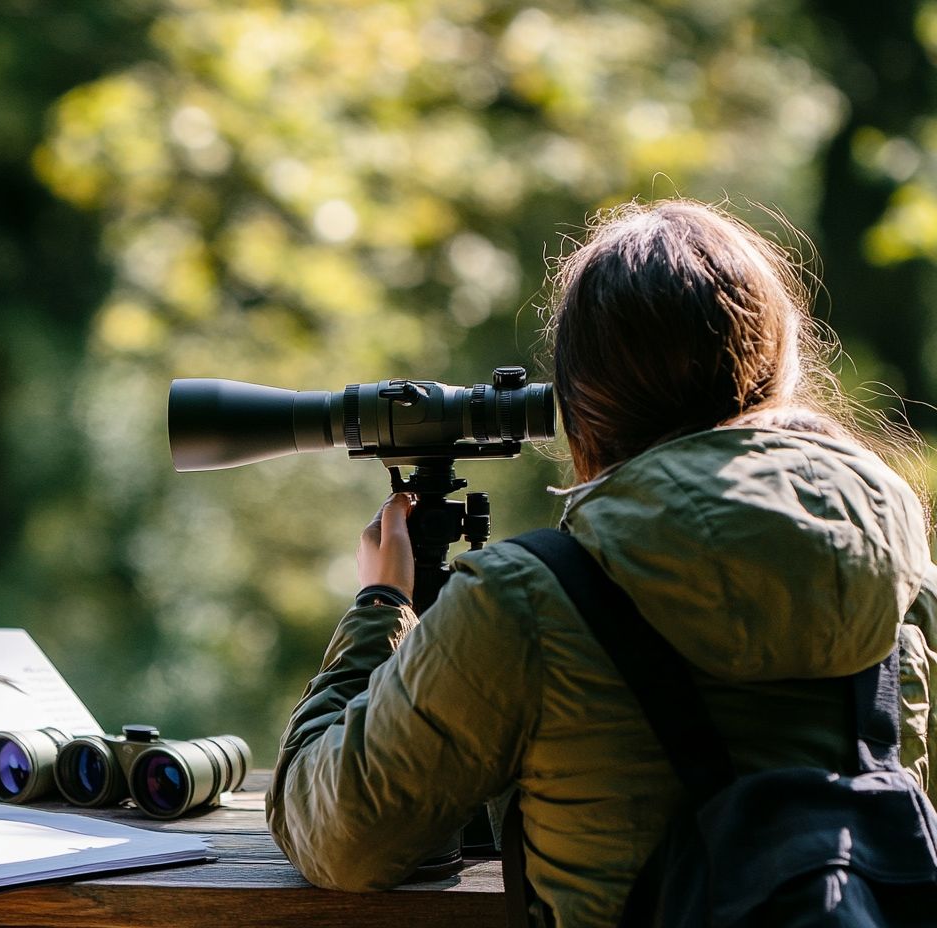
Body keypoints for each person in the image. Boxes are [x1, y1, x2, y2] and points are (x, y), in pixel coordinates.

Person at [264, 199, 937, 927]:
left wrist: (379, 607)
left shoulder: (531, 602)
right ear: (782, 367)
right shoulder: (901, 578)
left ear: (580, 404)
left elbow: (342, 837)